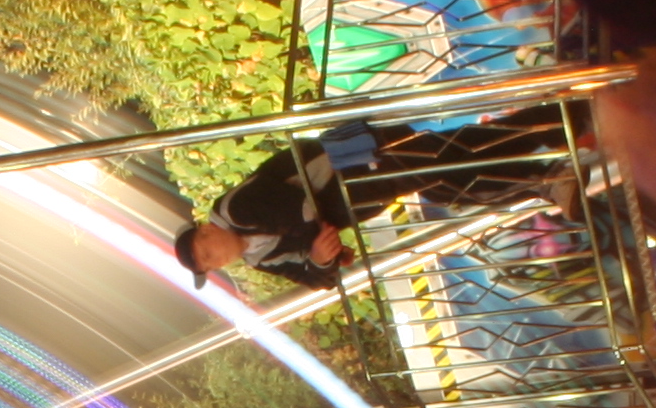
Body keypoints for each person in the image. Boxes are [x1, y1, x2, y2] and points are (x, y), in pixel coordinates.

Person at [173, 114, 576, 290]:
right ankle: (557, 130)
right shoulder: (259, 259)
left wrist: (319, 249)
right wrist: (321, 259)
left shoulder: (236, 209)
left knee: (447, 177)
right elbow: (316, 278)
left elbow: (300, 210)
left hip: (356, 161)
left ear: (206, 230)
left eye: (206, 252)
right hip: (362, 189)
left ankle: (546, 176)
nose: (216, 260)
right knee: (457, 155)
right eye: (210, 266)